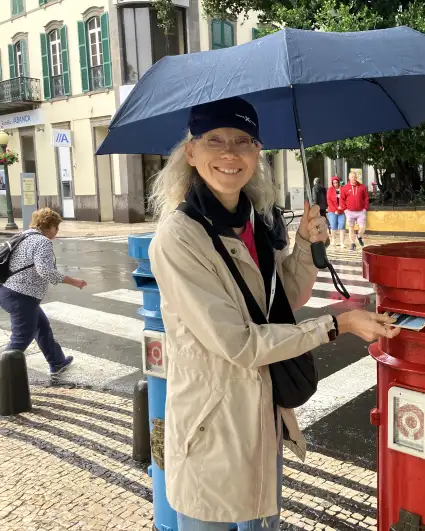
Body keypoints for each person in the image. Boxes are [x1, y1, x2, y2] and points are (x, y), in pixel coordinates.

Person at [147, 97, 400, 531]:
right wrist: (338, 324)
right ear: (191, 153)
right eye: (215, 141)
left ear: (256, 152)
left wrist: (302, 245)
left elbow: (285, 301)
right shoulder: (178, 239)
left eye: (243, 141)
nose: (230, 153)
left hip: (262, 412)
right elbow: (239, 343)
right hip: (213, 423)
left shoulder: (254, 220)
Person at [0, 208, 87, 374]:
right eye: (57, 227)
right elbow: (46, 271)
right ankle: (4, 376)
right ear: (50, 226)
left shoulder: (24, 235)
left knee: (42, 327)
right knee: (22, 337)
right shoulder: (42, 242)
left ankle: (57, 362)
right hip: (21, 295)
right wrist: (74, 281)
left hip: (10, 291)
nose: (57, 232)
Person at [340, 170, 369, 251]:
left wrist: (365, 208)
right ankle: (352, 244)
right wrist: (345, 210)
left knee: (362, 227)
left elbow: (366, 198)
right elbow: (342, 200)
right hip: (349, 212)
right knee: (351, 228)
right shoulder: (345, 188)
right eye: (352, 177)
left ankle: (359, 236)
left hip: (361, 211)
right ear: (349, 178)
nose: (354, 178)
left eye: (355, 177)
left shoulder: (362, 187)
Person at [326, 175, 346, 248]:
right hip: (332, 211)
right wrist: (335, 210)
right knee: (333, 225)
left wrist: (342, 208)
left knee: (342, 226)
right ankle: (333, 240)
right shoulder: (330, 190)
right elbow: (329, 201)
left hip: (342, 211)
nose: (335, 184)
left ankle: (342, 242)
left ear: (338, 182)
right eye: (333, 183)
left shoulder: (343, 189)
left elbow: (346, 200)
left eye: (336, 182)